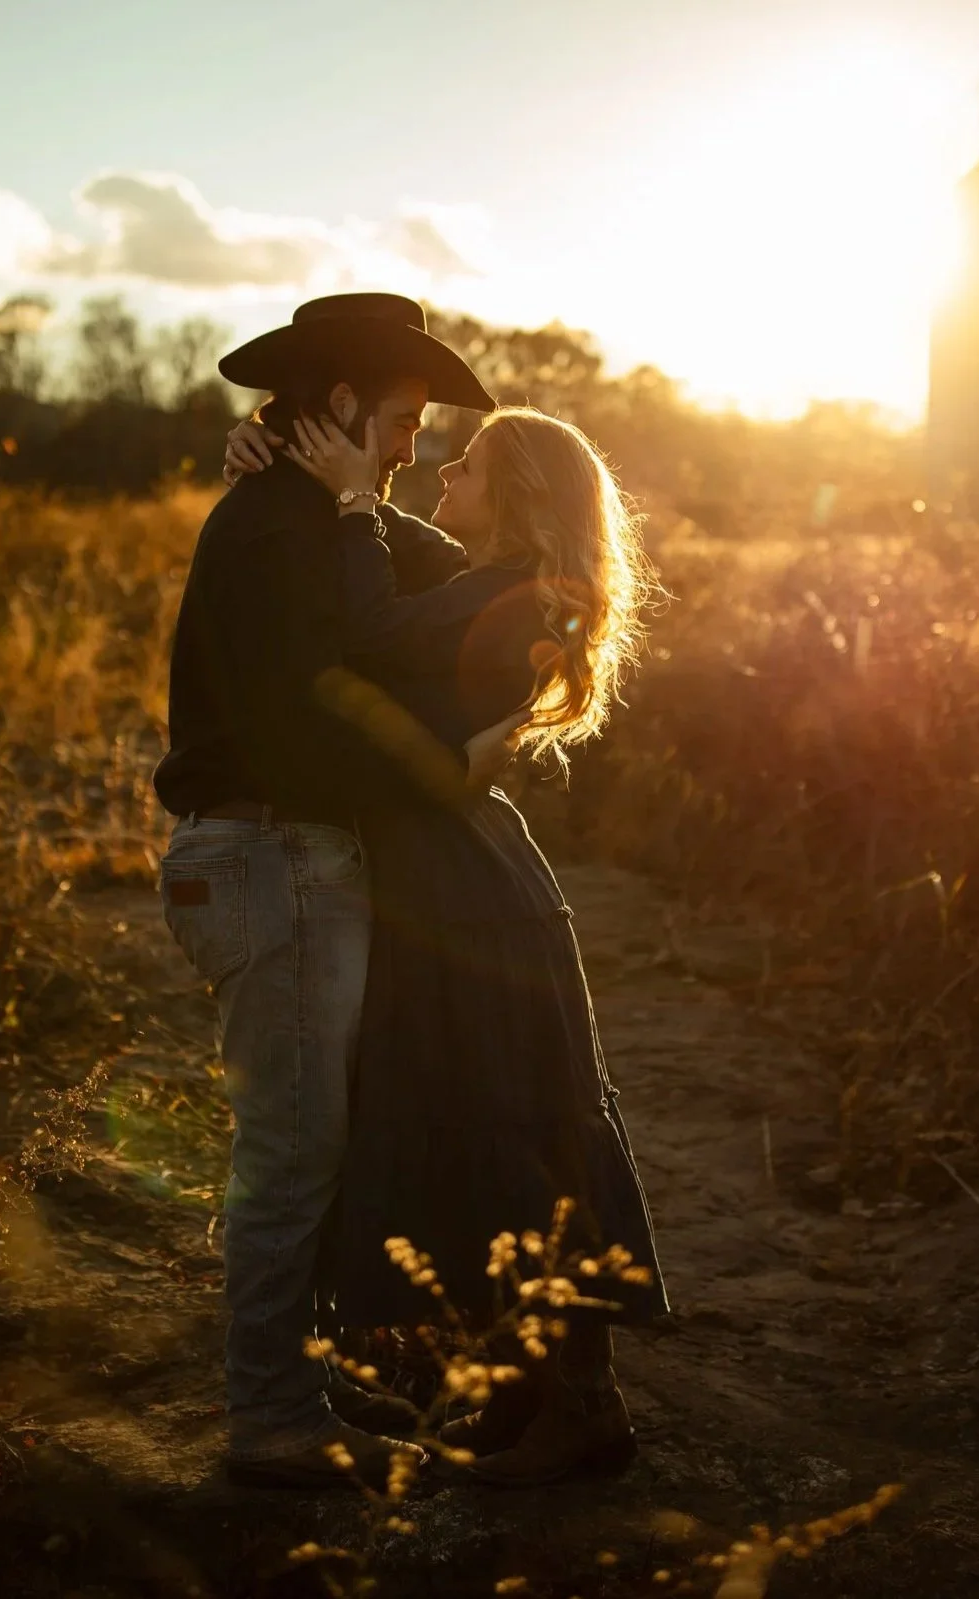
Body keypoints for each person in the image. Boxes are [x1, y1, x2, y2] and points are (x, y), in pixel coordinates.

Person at [221, 402, 672, 1486]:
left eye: (463, 464)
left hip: (468, 894)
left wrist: (345, 500)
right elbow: (398, 585)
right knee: (478, 1130)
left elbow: (374, 629)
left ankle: (583, 1409)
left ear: (513, 492)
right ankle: (526, 1398)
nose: (438, 472)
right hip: (447, 881)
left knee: (512, 1137)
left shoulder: (510, 591)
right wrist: (269, 467)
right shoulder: (483, 579)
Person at [151, 292, 511, 1488]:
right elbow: (311, 728)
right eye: (402, 416)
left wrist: (348, 496)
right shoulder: (273, 529)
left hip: (277, 861)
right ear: (344, 403)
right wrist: (442, 776)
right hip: (269, 857)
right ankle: (269, 1420)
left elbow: (436, 579)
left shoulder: (305, 515)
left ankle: (295, 1380)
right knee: (293, 1151)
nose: (415, 442)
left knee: (310, 1139)